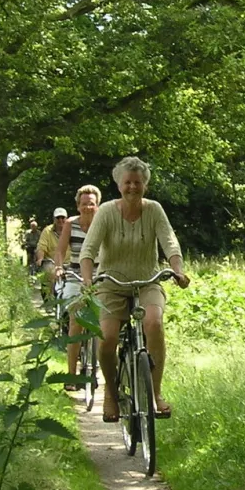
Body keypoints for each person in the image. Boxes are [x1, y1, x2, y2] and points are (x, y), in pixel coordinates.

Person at [79, 157, 189, 421]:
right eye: (127, 182)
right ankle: (111, 394)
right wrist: (87, 280)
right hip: (111, 283)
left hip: (146, 280)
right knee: (106, 339)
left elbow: (170, 243)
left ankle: (156, 392)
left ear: (145, 186)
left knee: (154, 323)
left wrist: (178, 270)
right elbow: (88, 250)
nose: (132, 187)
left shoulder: (154, 210)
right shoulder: (106, 211)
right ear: (119, 185)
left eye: (137, 183)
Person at [57, 185, 101, 392]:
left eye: (91, 204)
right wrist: (58, 267)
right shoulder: (70, 224)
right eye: (84, 204)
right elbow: (60, 250)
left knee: (105, 322)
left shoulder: (104, 222)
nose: (87, 208)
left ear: (97, 205)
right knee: (76, 322)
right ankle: (71, 375)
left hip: (101, 275)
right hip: (75, 275)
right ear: (78, 205)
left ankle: (98, 368)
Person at [35, 208, 67, 299]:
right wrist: (40, 258)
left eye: (62, 217)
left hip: (69, 262)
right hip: (52, 262)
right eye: (58, 218)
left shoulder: (71, 230)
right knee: (49, 272)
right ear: (54, 219)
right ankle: (49, 299)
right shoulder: (47, 231)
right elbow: (41, 246)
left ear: (66, 218)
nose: (60, 220)